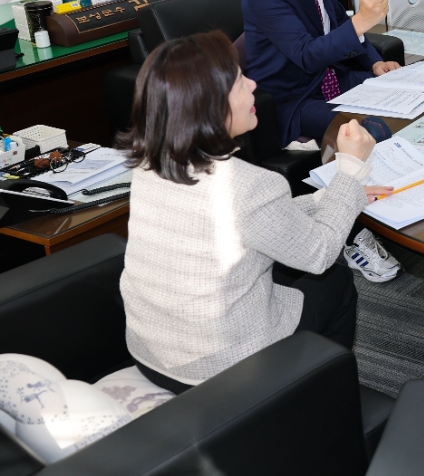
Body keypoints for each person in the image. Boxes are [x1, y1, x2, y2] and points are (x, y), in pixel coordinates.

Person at [117, 31, 392, 395]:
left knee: (283, 268)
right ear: (210, 106)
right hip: (220, 367)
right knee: (335, 281)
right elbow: (319, 253)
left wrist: (329, 198)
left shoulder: (150, 164)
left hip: (152, 353)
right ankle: (324, 396)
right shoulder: (248, 185)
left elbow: (254, 223)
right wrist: (350, 170)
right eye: (239, 82)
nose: (252, 85)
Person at [242, 0, 401, 282]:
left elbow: (338, 25)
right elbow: (306, 55)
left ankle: (394, 206)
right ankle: (349, 233)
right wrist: (362, 22)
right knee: (359, 130)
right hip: (292, 97)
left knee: (403, 96)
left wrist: (374, 62)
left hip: (331, 80)